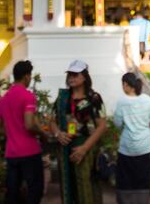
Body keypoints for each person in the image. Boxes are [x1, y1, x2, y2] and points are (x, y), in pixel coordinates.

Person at [49, 60, 108, 204]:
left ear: (84, 77)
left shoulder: (94, 98)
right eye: (69, 74)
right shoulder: (63, 98)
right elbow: (51, 120)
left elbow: (102, 126)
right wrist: (58, 134)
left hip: (86, 147)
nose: (71, 78)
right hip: (66, 147)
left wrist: (84, 148)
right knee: (68, 187)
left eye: (75, 74)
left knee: (85, 186)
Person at [0, 60, 46, 204]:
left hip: (11, 154)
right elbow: (29, 125)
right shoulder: (27, 96)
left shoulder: (3, 100)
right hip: (30, 153)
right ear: (26, 77)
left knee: (13, 193)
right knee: (35, 191)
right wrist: (42, 133)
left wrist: (12, 132)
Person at [113, 73, 150, 204]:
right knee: (142, 178)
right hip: (144, 147)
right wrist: (146, 123)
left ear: (127, 85)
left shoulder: (122, 101)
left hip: (126, 148)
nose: (122, 87)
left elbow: (117, 123)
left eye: (123, 84)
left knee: (125, 179)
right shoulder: (146, 99)